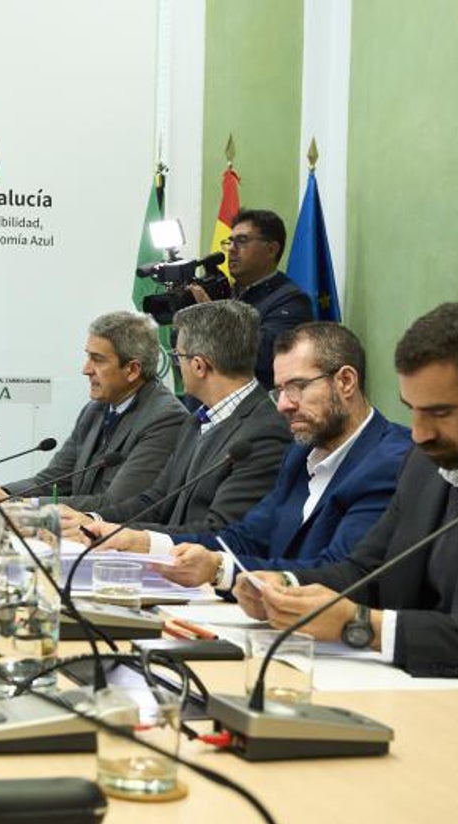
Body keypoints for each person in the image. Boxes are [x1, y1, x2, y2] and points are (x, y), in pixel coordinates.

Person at [234, 302, 458, 678]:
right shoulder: (424, 464)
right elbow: (364, 570)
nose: (419, 433)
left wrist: (365, 626)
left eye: (440, 413)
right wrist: (287, 589)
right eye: (411, 409)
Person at [98, 322, 410, 588]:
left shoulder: (390, 461)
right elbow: (247, 537)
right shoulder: (300, 454)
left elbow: (338, 571)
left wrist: (222, 570)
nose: (284, 405)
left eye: (297, 387)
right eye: (279, 390)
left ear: (345, 381)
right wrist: (145, 543)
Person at [68, 300, 291, 539]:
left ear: (198, 365)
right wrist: (94, 520)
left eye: (177, 356)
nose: (177, 364)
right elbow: (156, 500)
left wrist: (132, 538)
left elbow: (219, 531)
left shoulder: (264, 433)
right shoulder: (197, 421)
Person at [0, 311, 188, 510]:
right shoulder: (95, 409)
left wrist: (12, 504)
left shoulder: (165, 419)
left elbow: (116, 504)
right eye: (88, 356)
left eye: (98, 360)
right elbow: (55, 479)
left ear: (132, 370)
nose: (86, 370)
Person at [194, 208, 312, 389]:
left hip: (257, 410)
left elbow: (264, 356)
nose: (231, 250)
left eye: (242, 241)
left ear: (272, 249)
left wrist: (213, 317)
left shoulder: (291, 301)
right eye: (230, 242)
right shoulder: (224, 293)